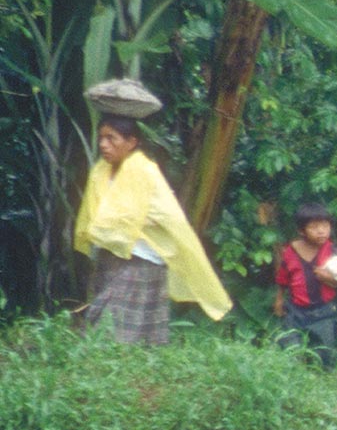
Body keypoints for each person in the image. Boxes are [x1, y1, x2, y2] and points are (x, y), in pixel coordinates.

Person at [72, 80, 232, 343]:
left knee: (119, 322)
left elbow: (168, 217)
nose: (103, 145)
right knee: (108, 319)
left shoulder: (143, 171)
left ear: (132, 141)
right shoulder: (101, 170)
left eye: (111, 138)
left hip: (142, 256)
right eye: (101, 138)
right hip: (112, 253)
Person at [273, 202, 337, 369]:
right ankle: (294, 375)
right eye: (314, 227)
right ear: (301, 231)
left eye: (325, 225)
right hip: (295, 310)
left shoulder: (334, 253)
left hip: (323, 311)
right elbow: (283, 279)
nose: (321, 231)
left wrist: (327, 277)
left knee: (325, 356)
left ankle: (325, 378)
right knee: (290, 350)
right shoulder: (290, 252)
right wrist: (279, 300)